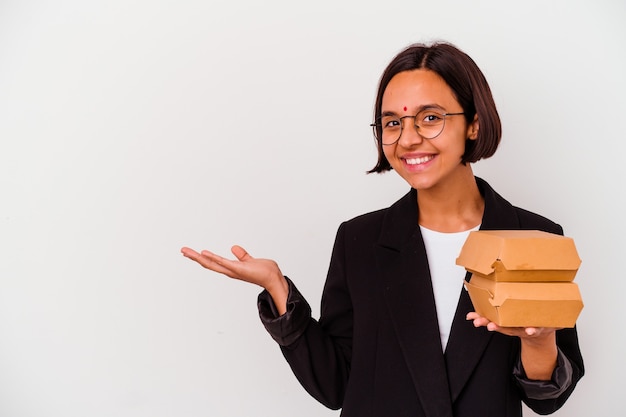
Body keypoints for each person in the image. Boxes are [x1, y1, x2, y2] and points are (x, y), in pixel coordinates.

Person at [181, 41, 584, 417]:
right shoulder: (359, 241)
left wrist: (536, 340)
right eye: (392, 122)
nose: (408, 139)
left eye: (430, 118)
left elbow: (547, 398)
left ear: (474, 124)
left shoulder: (536, 237)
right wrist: (278, 291)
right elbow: (336, 383)